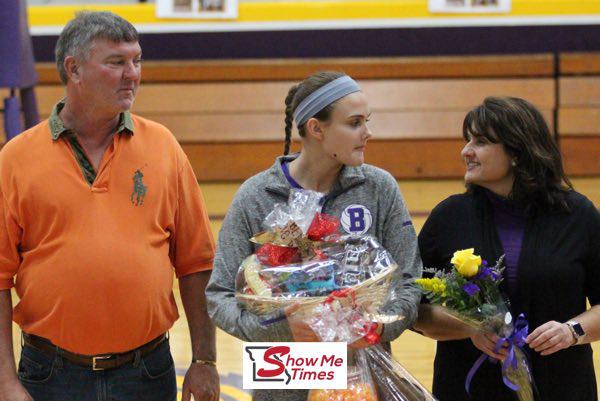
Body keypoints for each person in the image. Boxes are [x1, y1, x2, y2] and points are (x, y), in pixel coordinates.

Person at [0, 11, 219, 401]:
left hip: (147, 372)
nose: (132, 73)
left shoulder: (164, 146)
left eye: (136, 60)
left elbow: (196, 262)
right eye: (116, 62)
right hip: (49, 374)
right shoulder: (15, 158)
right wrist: (4, 381)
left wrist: (205, 360)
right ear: (74, 69)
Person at [206, 71, 422, 401]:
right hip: (282, 382)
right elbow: (220, 296)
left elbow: (409, 281)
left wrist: (377, 327)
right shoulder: (256, 196)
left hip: (361, 383)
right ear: (316, 128)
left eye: (367, 121)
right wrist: (281, 327)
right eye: (354, 123)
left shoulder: (379, 189)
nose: (368, 133)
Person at [414, 96, 600, 401]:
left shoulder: (577, 215)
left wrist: (572, 331)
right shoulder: (449, 217)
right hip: (468, 387)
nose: (466, 151)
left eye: (481, 141)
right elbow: (414, 310)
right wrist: (468, 328)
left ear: (517, 152)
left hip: (561, 386)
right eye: (467, 140)